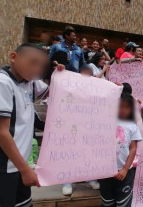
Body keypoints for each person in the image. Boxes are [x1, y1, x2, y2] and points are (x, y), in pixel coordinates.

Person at [0, 44, 52, 206]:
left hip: (18, 166)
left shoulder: (30, 83)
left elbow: (59, 90)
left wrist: (60, 76)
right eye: (33, 63)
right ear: (13, 57)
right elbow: (1, 133)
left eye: (42, 66)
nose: (38, 69)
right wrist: (26, 170)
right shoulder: (1, 83)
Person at [61, 65, 101, 195]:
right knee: (71, 154)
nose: (86, 77)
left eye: (89, 75)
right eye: (84, 74)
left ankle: (90, 178)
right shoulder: (70, 88)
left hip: (90, 128)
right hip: (72, 127)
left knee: (88, 153)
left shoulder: (97, 89)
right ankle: (67, 182)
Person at [99, 93, 142, 207]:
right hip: (105, 173)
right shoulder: (105, 122)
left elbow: (133, 149)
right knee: (107, 203)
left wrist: (125, 169)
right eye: (120, 106)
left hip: (125, 173)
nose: (123, 110)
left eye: (127, 107)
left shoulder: (133, 126)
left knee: (123, 203)